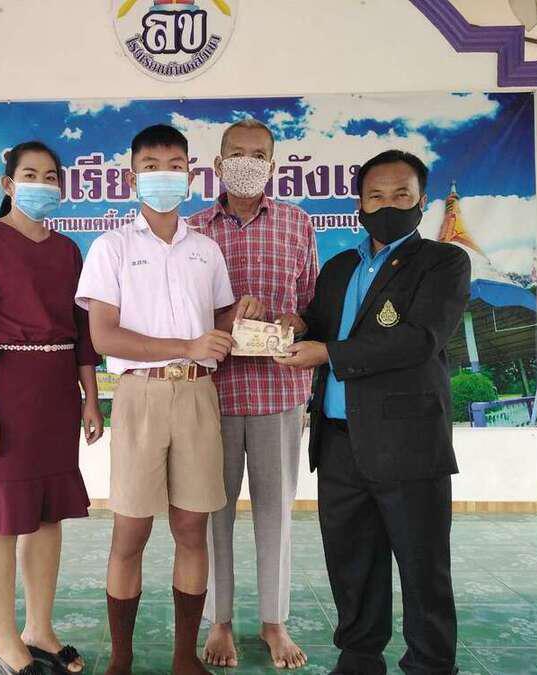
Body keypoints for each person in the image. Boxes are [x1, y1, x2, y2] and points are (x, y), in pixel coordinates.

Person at [76, 124, 264, 675]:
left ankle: (186, 658)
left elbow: (215, 323)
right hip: (140, 395)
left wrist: (239, 316)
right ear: (131, 176)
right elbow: (104, 337)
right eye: (151, 166)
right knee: (130, 531)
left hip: (199, 395)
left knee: (190, 529)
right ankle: (122, 659)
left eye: (175, 165)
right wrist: (186, 344)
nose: (164, 175)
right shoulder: (111, 247)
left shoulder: (206, 250)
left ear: (190, 174)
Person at [276, 150, 470, 675]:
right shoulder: (340, 267)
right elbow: (320, 324)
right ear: (359, 205)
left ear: (422, 201)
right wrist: (293, 325)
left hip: (408, 442)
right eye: (376, 196)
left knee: (422, 563)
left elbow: (419, 339)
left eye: (402, 196)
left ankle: (431, 663)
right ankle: (360, 656)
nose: (388, 206)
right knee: (351, 561)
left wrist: (328, 353)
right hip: (339, 441)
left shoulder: (443, 263)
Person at [0, 141, 105, 675]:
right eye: (31, 175)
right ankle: (5, 640)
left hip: (57, 394)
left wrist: (91, 398)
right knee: (1, 519)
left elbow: (81, 331)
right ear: (9, 185)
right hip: (2, 392)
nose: (42, 184)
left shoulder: (68, 251)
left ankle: (40, 629)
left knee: (48, 514)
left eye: (51, 176)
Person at [187, 118, 318, 670]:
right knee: (211, 513)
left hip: (278, 392)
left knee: (276, 513)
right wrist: (225, 318)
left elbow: (311, 307)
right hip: (210, 395)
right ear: (218, 164)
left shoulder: (296, 223)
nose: (247, 162)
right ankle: (218, 620)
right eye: (237, 154)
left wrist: (293, 320)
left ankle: (273, 621)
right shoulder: (192, 230)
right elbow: (180, 316)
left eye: (258, 154)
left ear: (272, 163)